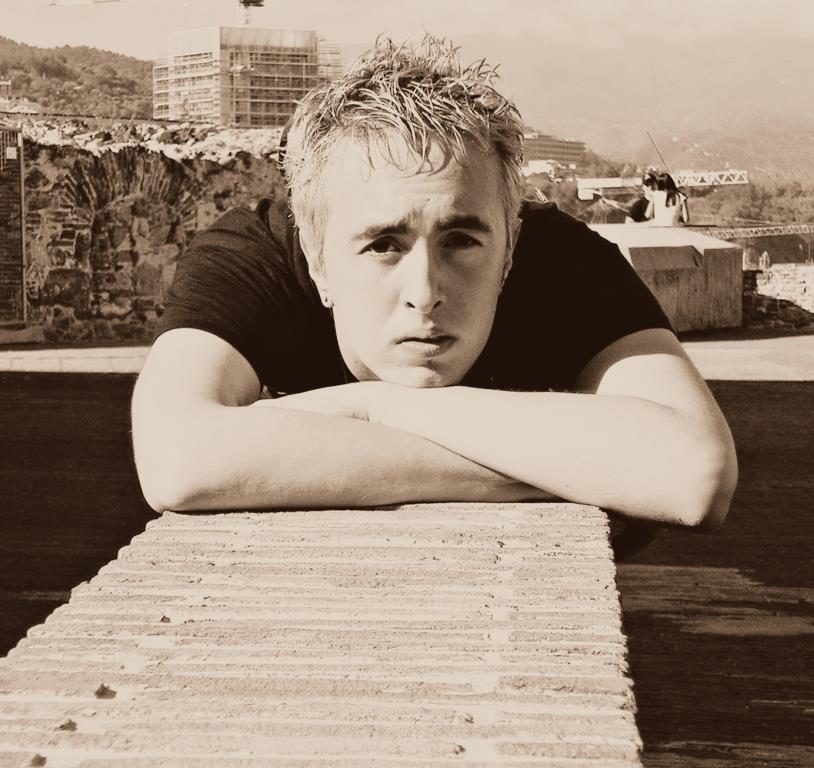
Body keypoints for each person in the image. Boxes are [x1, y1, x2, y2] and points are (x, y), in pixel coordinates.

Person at [131, 36, 737, 530]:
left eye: (461, 241)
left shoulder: (566, 261)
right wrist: (573, 467)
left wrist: (372, 407)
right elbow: (177, 460)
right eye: (383, 246)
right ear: (316, 259)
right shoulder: (249, 259)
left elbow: (694, 476)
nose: (425, 292)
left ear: (510, 249)